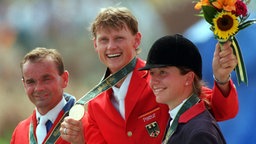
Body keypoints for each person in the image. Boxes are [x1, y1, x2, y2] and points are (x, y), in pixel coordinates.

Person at [60, 7, 238, 144]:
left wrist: (222, 79)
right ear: (95, 45)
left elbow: (222, 111)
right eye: (104, 40)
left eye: (119, 38)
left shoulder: (162, 80)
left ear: (136, 40)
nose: (111, 46)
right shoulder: (93, 106)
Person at [140, 34, 228, 144]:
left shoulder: (199, 133)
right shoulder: (179, 122)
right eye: (152, 73)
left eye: (162, 72)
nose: (154, 81)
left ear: (189, 78)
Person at [10, 47, 86, 144]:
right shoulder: (20, 131)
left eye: (46, 79)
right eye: (31, 82)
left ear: (64, 79)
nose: (39, 88)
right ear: (24, 84)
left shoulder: (85, 125)